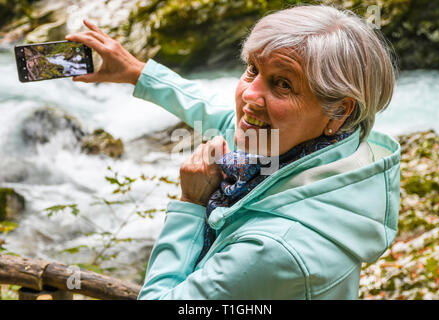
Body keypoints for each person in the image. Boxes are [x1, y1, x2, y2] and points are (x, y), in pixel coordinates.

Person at [66, 4, 400, 299]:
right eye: (253, 69)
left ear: (340, 110)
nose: (248, 95)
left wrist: (192, 205)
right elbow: (221, 114)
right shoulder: (334, 152)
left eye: (283, 84)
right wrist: (137, 72)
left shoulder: (274, 249)